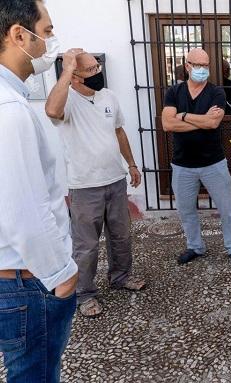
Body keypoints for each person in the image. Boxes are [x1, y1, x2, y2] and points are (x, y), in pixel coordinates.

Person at [0, 0, 78, 380]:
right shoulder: (8, 109)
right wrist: (62, 274)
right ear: (19, 34)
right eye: (45, 32)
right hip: (26, 279)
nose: (50, 42)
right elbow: (21, 210)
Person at [45, 52, 146, 317]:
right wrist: (67, 71)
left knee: (121, 235)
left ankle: (121, 276)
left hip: (115, 180)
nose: (97, 71)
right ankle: (85, 293)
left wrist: (132, 164)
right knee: (86, 245)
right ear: (75, 77)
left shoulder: (108, 97)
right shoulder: (66, 100)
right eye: (90, 69)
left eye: (96, 65)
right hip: (85, 186)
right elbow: (52, 111)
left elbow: (119, 131)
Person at [161, 47, 231, 267]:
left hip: (213, 163)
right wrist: (200, 120)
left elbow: (213, 123)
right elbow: (167, 124)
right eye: (198, 65)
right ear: (187, 65)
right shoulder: (174, 92)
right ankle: (195, 246)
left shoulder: (217, 92)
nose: (202, 69)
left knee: (226, 209)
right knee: (186, 210)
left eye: (206, 65)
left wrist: (185, 116)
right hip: (182, 165)